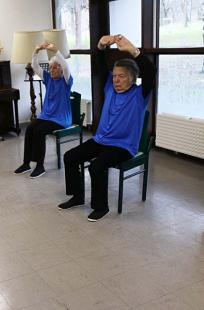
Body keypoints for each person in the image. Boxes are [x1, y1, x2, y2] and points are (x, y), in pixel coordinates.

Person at [59, 34, 155, 222]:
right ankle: (77, 197)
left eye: (122, 77)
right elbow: (99, 66)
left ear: (133, 79)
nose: (116, 80)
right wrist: (101, 45)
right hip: (101, 140)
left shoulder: (139, 95)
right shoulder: (109, 89)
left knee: (96, 166)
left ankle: (100, 207)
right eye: (115, 76)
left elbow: (150, 72)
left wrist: (132, 50)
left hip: (123, 147)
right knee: (70, 157)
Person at [14, 42, 73, 178]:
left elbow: (65, 65)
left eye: (54, 68)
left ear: (60, 70)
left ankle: (40, 166)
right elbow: (35, 67)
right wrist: (35, 51)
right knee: (29, 128)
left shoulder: (66, 80)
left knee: (40, 131)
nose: (51, 70)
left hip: (61, 119)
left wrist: (56, 50)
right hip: (46, 116)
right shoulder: (48, 79)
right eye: (50, 68)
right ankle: (26, 163)